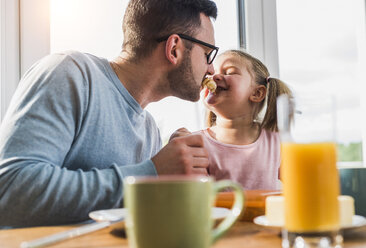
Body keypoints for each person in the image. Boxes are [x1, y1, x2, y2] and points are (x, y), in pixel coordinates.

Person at [0, 0, 218, 227]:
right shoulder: (70, 74)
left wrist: (168, 181)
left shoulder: (150, 131)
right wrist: (151, 172)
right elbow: (10, 191)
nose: (212, 69)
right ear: (174, 48)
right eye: (208, 54)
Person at [199, 49, 293, 190]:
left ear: (257, 93)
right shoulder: (196, 144)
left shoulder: (276, 142)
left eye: (229, 72)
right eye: (212, 73)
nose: (215, 77)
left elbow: (299, 185)